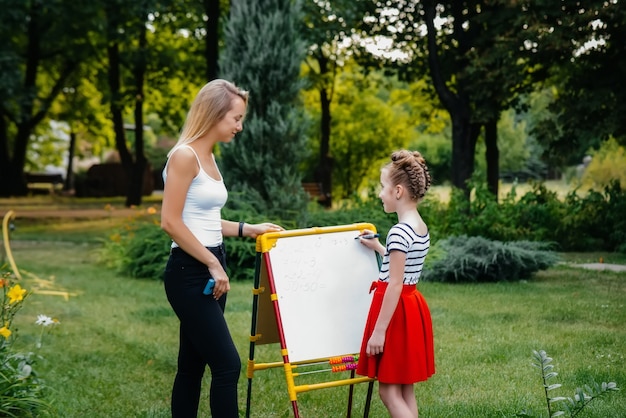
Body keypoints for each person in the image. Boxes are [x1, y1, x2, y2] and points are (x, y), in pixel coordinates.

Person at [160, 79, 284, 418]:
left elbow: (204, 219)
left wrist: (248, 229)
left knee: (191, 365)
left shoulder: (209, 158)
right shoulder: (184, 157)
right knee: (227, 365)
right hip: (189, 272)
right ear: (215, 114)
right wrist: (213, 265)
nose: (240, 127)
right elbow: (170, 222)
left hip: (209, 268)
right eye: (236, 118)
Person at [356, 150, 435, 418]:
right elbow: (403, 264)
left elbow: (394, 283)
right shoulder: (418, 226)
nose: (380, 194)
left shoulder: (399, 231)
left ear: (398, 191)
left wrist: (378, 332)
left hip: (395, 312)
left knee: (389, 392)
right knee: (405, 389)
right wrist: (380, 247)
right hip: (410, 307)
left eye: (383, 187)